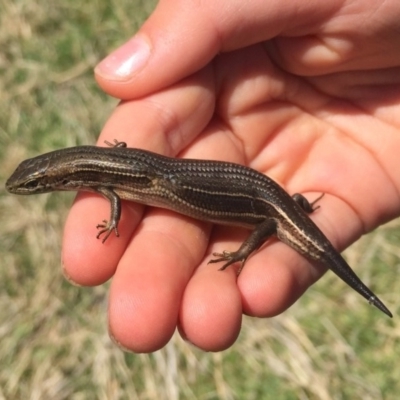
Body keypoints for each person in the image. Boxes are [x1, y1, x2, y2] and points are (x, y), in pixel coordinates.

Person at [62, 0, 400, 353]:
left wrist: (242, 253)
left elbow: (270, 224)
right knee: (279, 219)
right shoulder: (101, 173)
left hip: (271, 207)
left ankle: (252, 250)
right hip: (270, 195)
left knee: (273, 231)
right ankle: (294, 217)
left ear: (61, 179)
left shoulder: (276, 223)